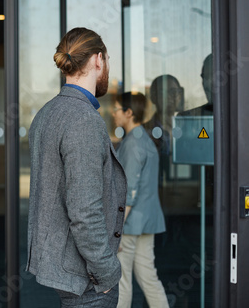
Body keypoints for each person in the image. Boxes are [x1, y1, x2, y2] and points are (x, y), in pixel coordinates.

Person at [27, 27, 127, 307]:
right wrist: (107, 273)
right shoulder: (83, 119)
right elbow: (85, 211)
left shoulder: (47, 112)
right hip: (86, 280)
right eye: (106, 60)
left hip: (64, 270)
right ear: (98, 60)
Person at [112, 92, 168, 308]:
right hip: (147, 221)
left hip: (131, 223)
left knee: (122, 281)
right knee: (148, 278)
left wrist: (116, 229)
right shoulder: (143, 139)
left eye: (117, 109)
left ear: (129, 113)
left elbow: (129, 192)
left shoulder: (133, 144)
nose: (113, 114)